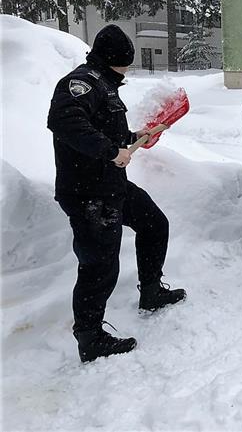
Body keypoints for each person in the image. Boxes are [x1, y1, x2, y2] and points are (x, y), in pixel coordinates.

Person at [47, 25, 186, 363]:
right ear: (111, 60)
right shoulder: (79, 83)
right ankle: (90, 338)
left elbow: (107, 128)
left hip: (111, 186)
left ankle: (150, 292)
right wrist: (111, 151)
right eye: (124, 64)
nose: (126, 71)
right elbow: (65, 121)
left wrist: (137, 135)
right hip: (87, 194)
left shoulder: (105, 85)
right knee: (99, 265)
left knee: (155, 224)